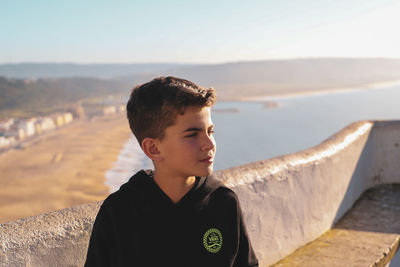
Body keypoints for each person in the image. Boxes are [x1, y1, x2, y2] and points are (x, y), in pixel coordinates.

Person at [84, 76, 258, 267]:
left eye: (210, 131)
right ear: (153, 149)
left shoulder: (223, 202)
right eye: (193, 134)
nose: (209, 144)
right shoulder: (118, 213)